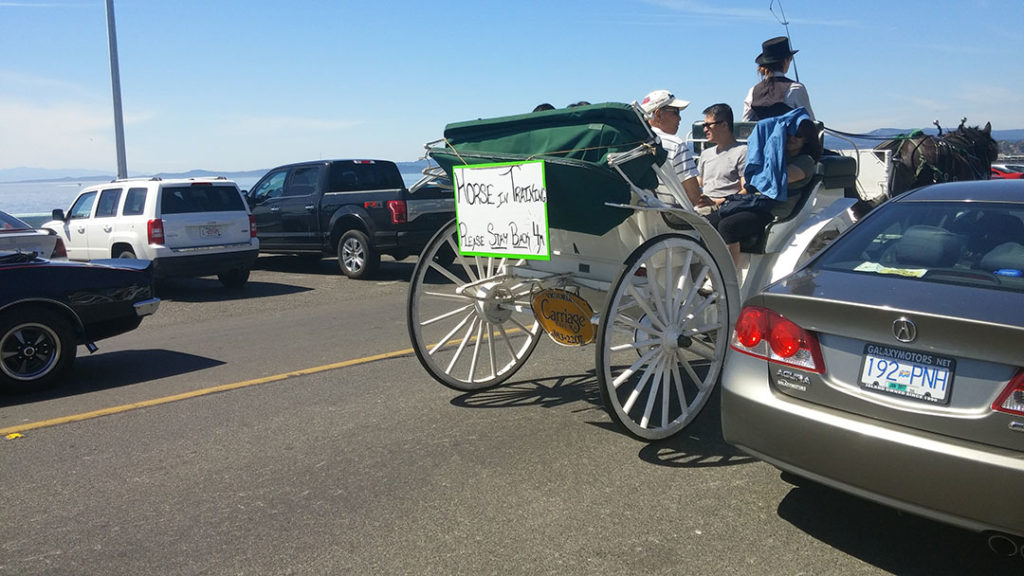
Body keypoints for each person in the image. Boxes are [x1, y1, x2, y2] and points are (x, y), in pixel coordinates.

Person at [713, 106, 820, 265]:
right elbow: (755, 185)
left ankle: (729, 278)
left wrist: (770, 144)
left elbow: (775, 180)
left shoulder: (805, 162)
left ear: (806, 140)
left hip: (775, 209)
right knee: (710, 221)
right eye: (789, 133)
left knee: (729, 226)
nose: (792, 138)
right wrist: (727, 199)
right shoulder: (776, 158)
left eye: (798, 135)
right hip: (758, 203)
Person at [639, 89, 701, 206]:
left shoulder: (632, 143)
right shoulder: (676, 145)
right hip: (668, 220)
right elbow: (693, 197)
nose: (680, 118)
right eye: (675, 112)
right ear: (658, 114)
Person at [742, 36, 815, 122]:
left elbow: (745, 124)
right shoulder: (796, 88)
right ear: (785, 61)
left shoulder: (752, 91)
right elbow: (811, 123)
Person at [697, 103, 746, 212]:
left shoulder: (743, 152)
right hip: (703, 206)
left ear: (724, 125)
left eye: (708, 125)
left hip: (727, 207)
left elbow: (746, 190)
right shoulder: (705, 154)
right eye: (704, 125)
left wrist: (718, 202)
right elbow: (698, 184)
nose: (705, 129)